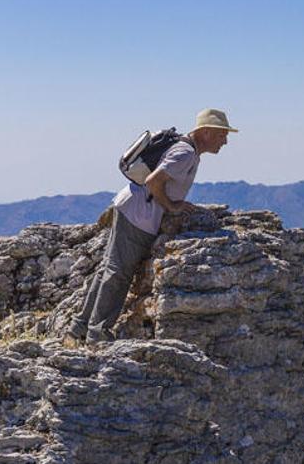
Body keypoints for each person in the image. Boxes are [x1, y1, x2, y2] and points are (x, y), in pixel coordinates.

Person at [66, 108, 238, 344]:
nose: (225, 141)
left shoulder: (186, 149)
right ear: (206, 132)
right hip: (139, 215)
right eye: (222, 134)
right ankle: (98, 333)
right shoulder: (185, 153)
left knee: (110, 268)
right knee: (118, 273)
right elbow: (153, 181)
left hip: (132, 207)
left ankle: (80, 328)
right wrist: (172, 206)